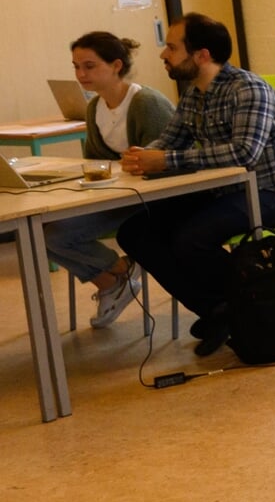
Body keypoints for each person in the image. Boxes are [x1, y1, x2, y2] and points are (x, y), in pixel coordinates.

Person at [116, 14, 275, 357]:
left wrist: (167, 160)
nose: (163, 55)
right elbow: (170, 140)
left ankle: (247, 304)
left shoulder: (249, 89)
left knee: (191, 239)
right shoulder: (194, 95)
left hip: (272, 193)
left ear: (201, 55)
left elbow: (244, 153)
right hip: (224, 191)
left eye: (172, 47)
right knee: (134, 232)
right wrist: (142, 156)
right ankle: (220, 309)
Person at [42, 32, 175, 328]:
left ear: (116, 65)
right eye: (76, 66)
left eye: (89, 66)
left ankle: (119, 273)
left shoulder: (145, 103)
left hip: (151, 199)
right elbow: (94, 161)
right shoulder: (94, 108)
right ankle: (114, 278)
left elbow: (162, 166)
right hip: (120, 194)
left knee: (58, 235)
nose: (80, 74)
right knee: (41, 233)